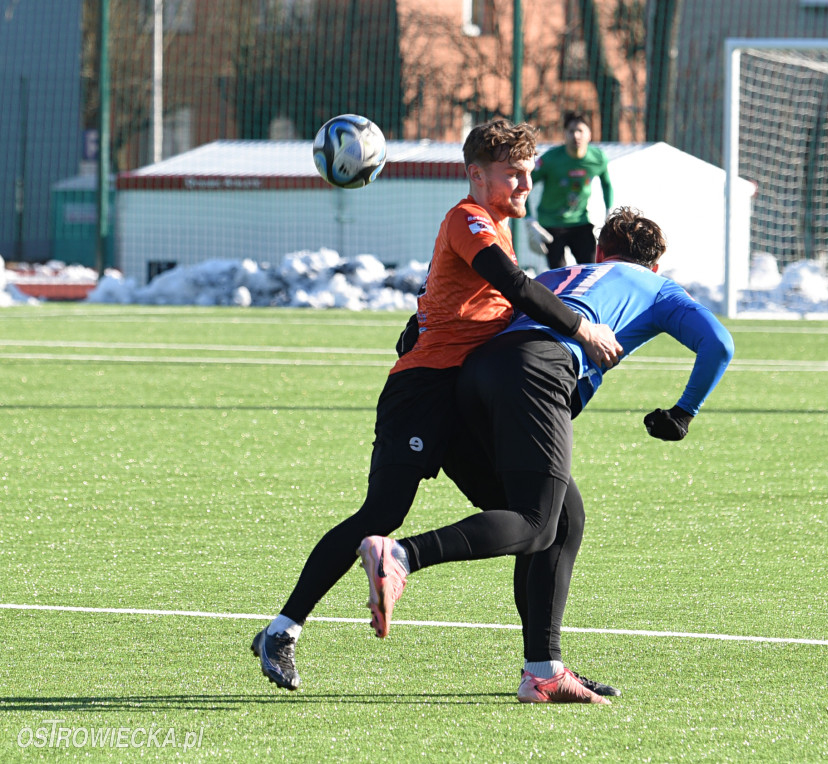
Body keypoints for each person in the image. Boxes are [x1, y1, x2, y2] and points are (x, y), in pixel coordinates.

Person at [249, 118, 622, 693]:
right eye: (513, 175)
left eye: (528, 173)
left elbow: (466, 301)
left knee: (552, 518)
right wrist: (584, 330)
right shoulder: (467, 218)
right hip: (423, 394)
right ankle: (282, 629)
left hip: (465, 401)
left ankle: (544, 669)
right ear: (476, 176)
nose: (525, 185)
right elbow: (515, 286)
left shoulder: (494, 223)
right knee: (382, 514)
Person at [358, 207, 735, 704]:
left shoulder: (557, 275)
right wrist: (683, 412)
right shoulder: (658, 288)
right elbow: (719, 345)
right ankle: (402, 556)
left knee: (564, 517)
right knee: (538, 521)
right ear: (656, 265)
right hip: (536, 373)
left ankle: (543, 668)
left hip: (473, 377)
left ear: (598, 252)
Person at [528, 111, 613, 269]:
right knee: (559, 274)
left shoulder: (598, 158)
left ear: (589, 134)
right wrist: (529, 220)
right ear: (564, 135)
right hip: (551, 223)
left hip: (580, 222)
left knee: (591, 270)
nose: (576, 135)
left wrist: (609, 212)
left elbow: (607, 184)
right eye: (571, 131)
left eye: (580, 130)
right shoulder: (550, 159)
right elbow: (524, 184)